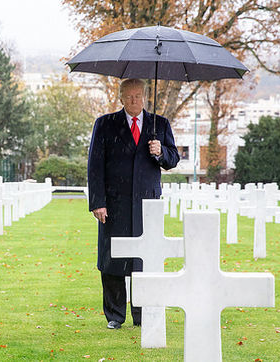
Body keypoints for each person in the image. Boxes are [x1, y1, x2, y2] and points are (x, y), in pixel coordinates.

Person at [87, 78, 179, 329]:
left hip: (147, 204)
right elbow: (94, 165)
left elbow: (173, 159)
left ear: (146, 97)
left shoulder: (159, 124)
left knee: (143, 260)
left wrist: (160, 152)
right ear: (120, 98)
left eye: (138, 96)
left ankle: (142, 314)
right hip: (114, 205)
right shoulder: (105, 124)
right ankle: (115, 316)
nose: (133, 100)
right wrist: (98, 202)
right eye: (128, 96)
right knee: (112, 259)